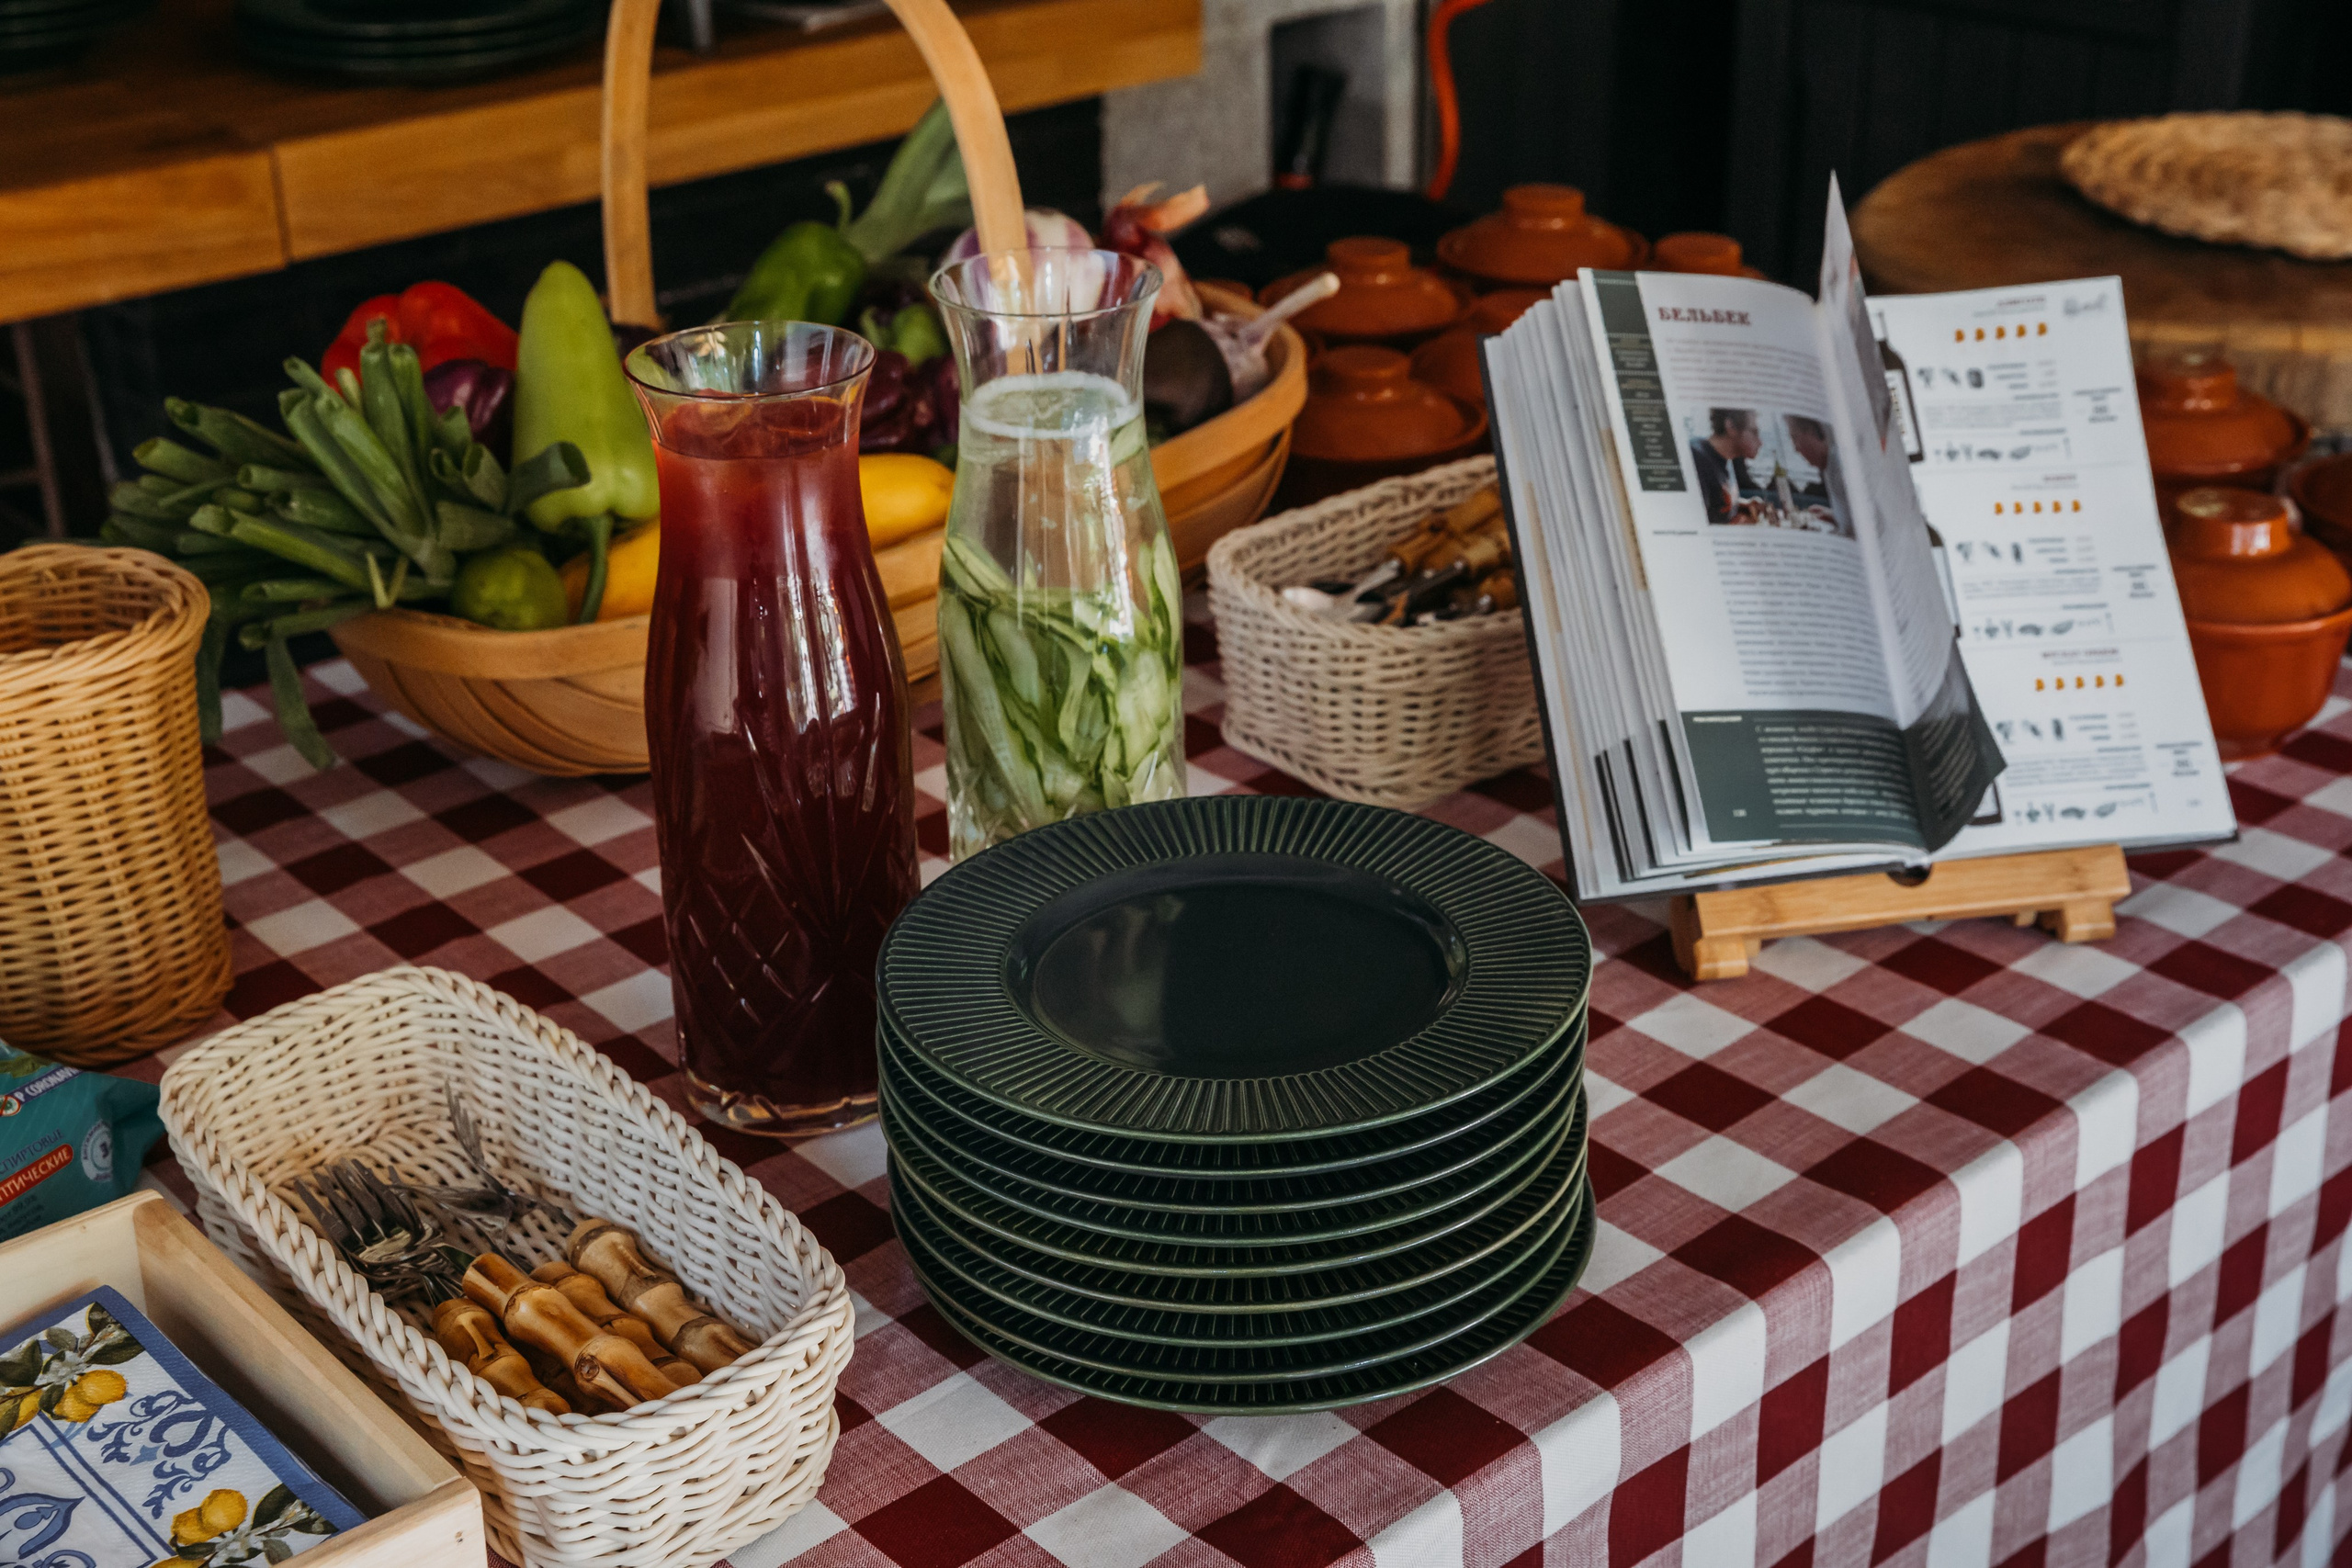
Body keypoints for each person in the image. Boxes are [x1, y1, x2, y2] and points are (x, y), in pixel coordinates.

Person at [1690, 409, 1759, 524]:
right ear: (1731, 427)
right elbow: (1696, 527)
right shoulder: (1697, 459)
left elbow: (1718, 502)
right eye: (1754, 432)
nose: (1760, 442)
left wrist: (1743, 504)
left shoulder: (1727, 458)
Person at [1783, 413, 1847, 534]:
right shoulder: (1829, 465)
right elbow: (1850, 520)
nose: (1795, 448)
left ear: (1811, 432)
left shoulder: (1840, 467)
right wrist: (1831, 515)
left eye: (1794, 438)